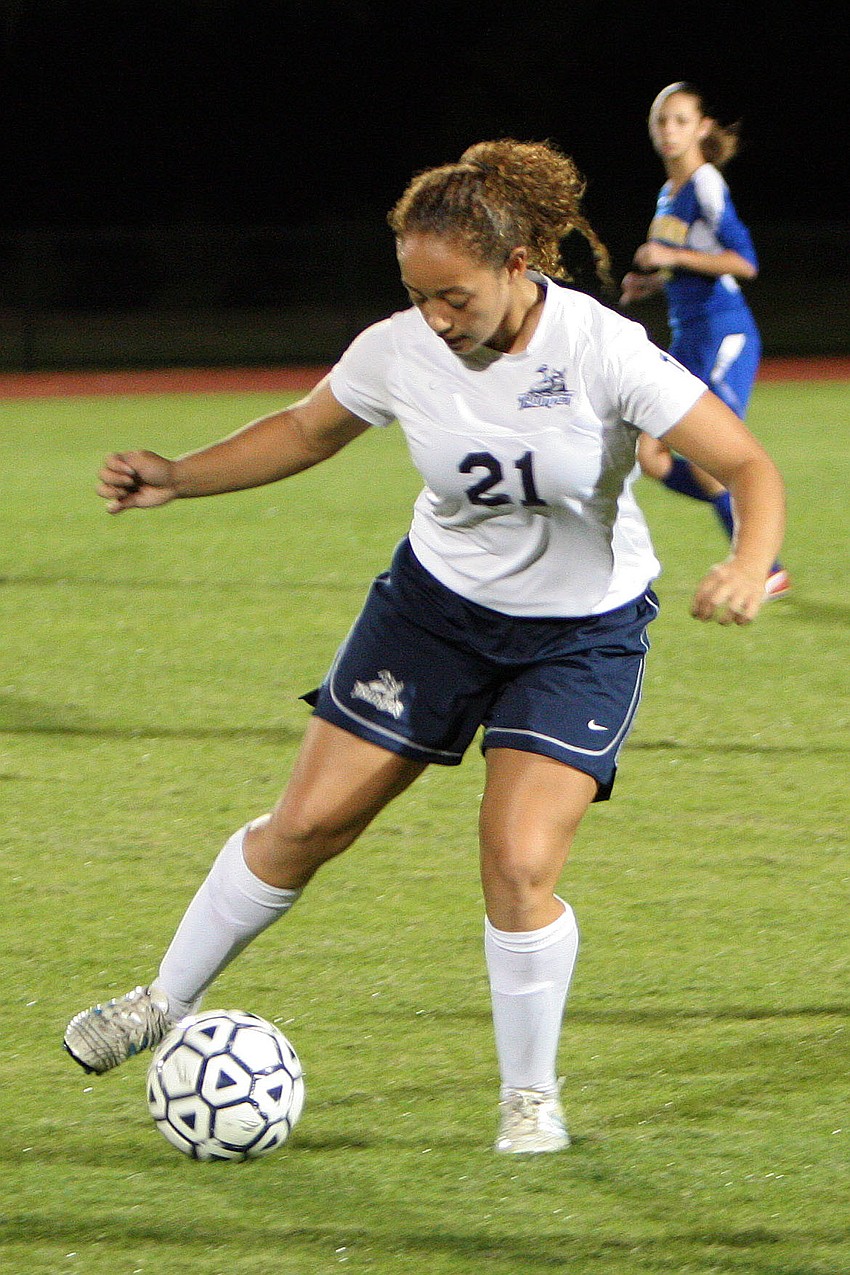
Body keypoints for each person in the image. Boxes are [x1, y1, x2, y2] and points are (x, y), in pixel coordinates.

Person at [64, 138, 786, 1155]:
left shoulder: (602, 349)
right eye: (418, 296)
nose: (436, 319)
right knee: (306, 825)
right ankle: (161, 1000)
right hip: (432, 616)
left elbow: (747, 465)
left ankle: (529, 1099)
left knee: (518, 863)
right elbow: (305, 430)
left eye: (454, 297)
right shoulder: (398, 348)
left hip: (578, 636)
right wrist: (179, 475)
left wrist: (749, 561)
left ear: (517, 265)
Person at [620, 82, 790, 599]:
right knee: (650, 455)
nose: (669, 130)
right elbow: (689, 265)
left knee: (708, 455)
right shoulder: (668, 193)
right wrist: (652, 283)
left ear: (702, 128)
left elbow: (744, 262)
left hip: (723, 332)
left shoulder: (706, 182)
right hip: (688, 337)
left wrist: (670, 257)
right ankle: (752, 523)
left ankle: (762, 566)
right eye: (661, 120)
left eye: (680, 120)